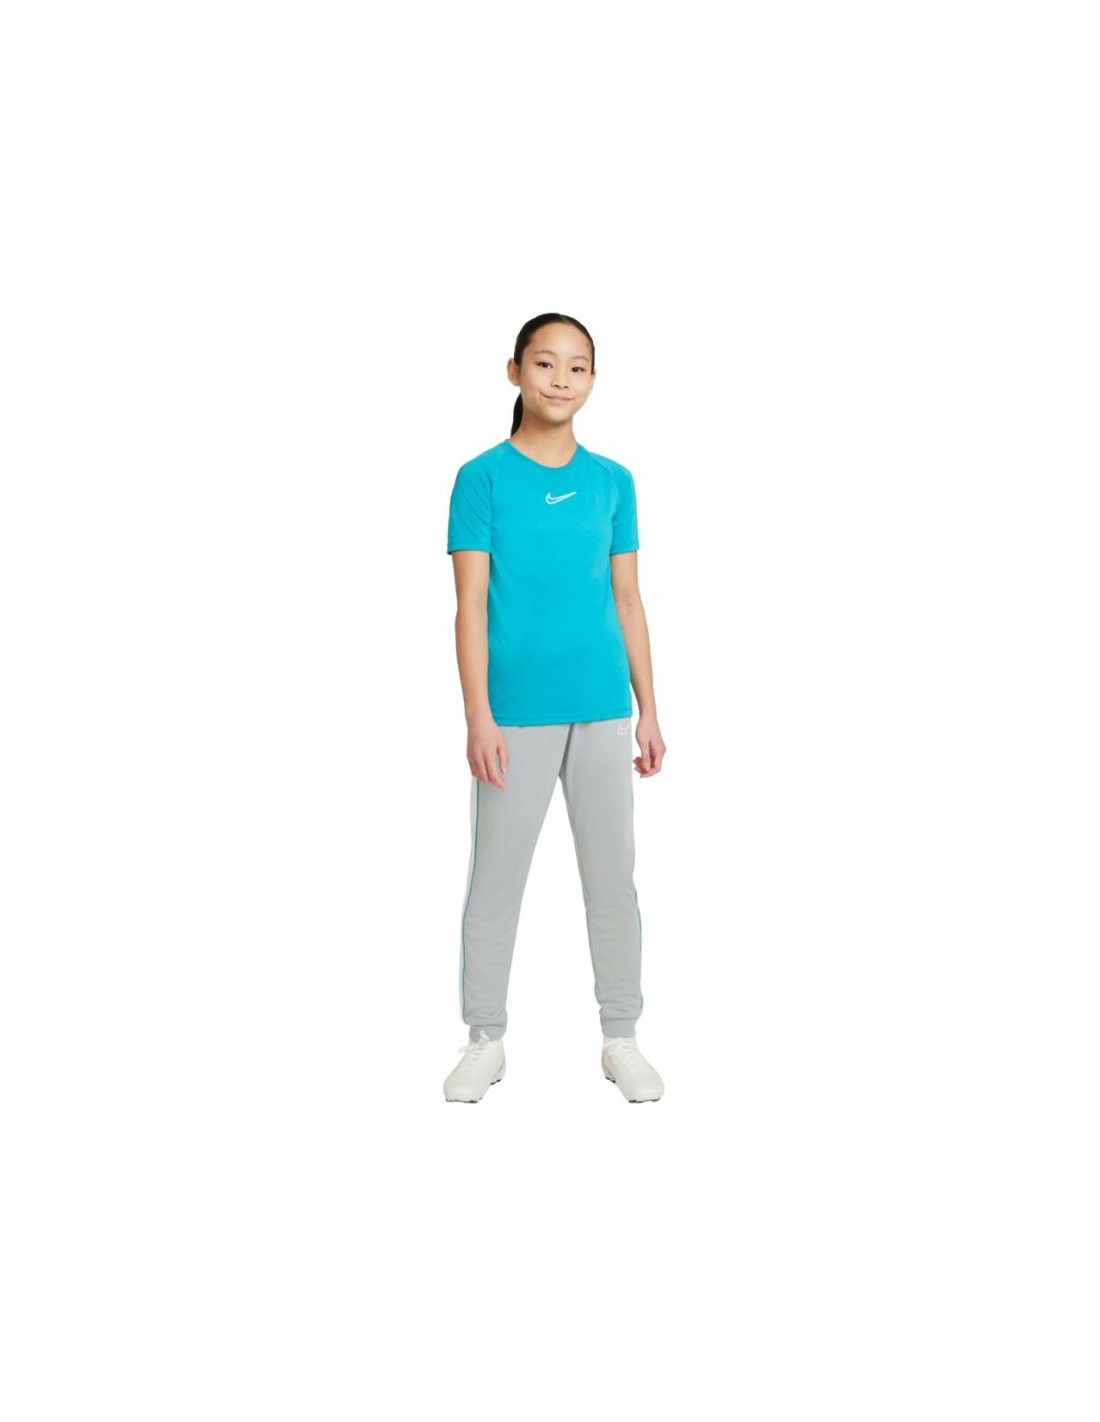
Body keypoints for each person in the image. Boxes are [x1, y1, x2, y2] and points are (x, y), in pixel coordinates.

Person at [443, 312, 667, 1105]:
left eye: (577, 366)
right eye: (545, 364)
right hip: (514, 716)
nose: (561, 380)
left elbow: (629, 599)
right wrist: (478, 716)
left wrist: (649, 708)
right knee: (496, 883)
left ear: (593, 380)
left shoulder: (614, 482)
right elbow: (471, 605)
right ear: (515, 372)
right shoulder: (481, 479)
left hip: (602, 708)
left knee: (613, 881)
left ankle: (621, 1036)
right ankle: (485, 1038)